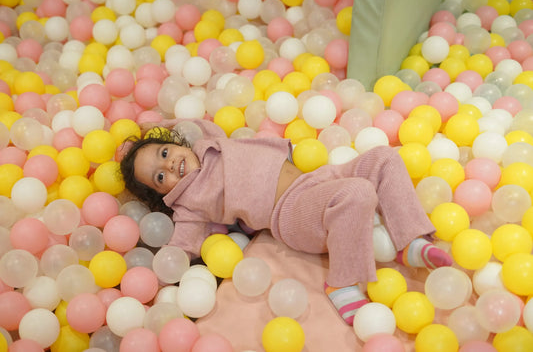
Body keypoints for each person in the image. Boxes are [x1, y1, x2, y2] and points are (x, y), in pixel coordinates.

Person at [120, 117, 452, 325]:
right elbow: (182, 246)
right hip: (292, 212)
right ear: (163, 195)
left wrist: (146, 129)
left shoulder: (209, 142)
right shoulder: (189, 203)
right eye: (159, 177)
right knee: (357, 193)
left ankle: (409, 239)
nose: (170, 166)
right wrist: (154, 286)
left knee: (384, 157)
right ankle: (342, 282)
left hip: (317, 179)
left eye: (164, 153)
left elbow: (188, 125)